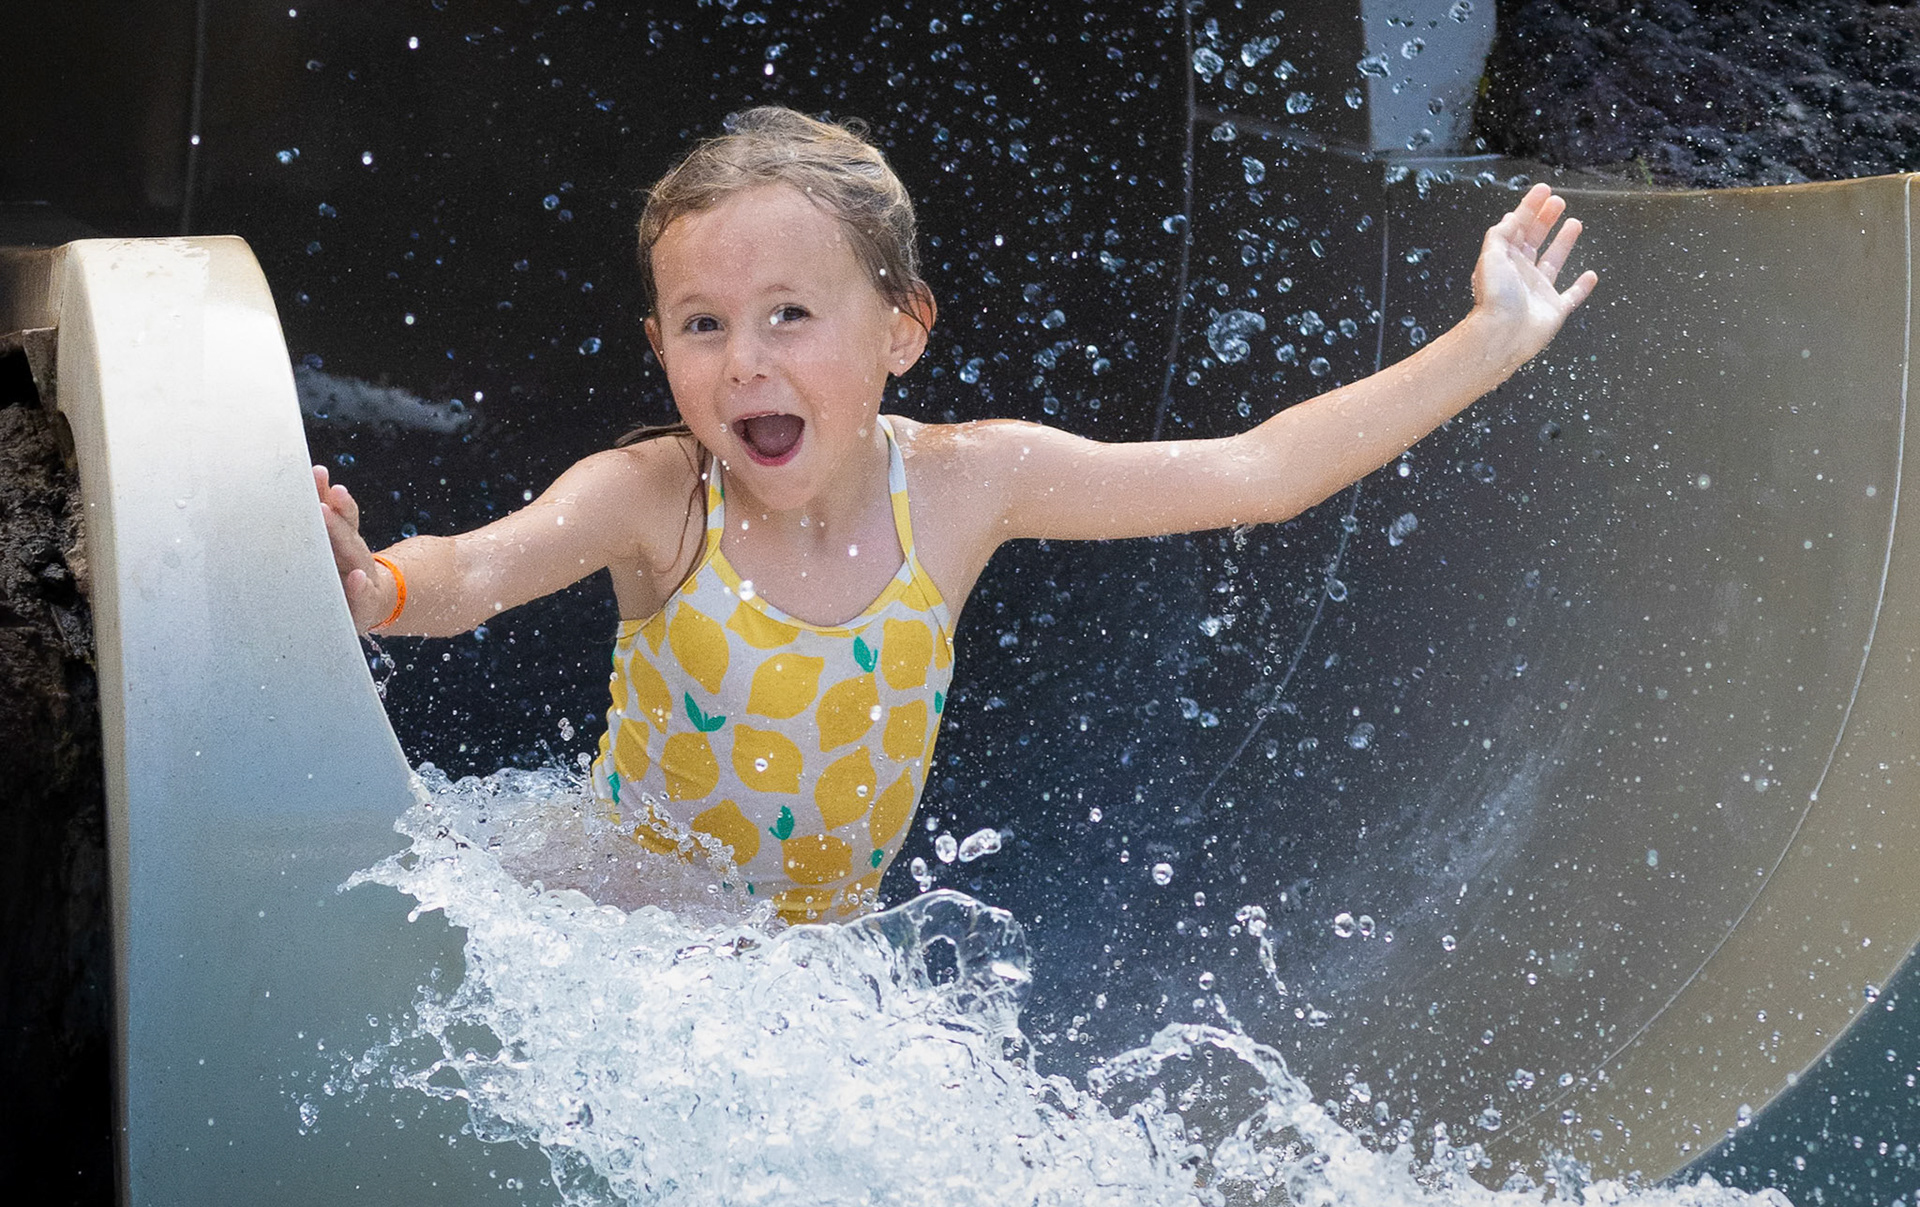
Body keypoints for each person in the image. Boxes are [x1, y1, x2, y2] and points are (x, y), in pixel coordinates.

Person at [317, 106, 1597, 925]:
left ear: (901, 330)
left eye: (790, 313)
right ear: (660, 348)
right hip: (596, 917)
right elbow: (481, 568)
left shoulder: (964, 484)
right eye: (703, 325)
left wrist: (1489, 340)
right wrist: (374, 588)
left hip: (789, 969)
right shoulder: (663, 500)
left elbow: (1254, 473)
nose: (745, 360)